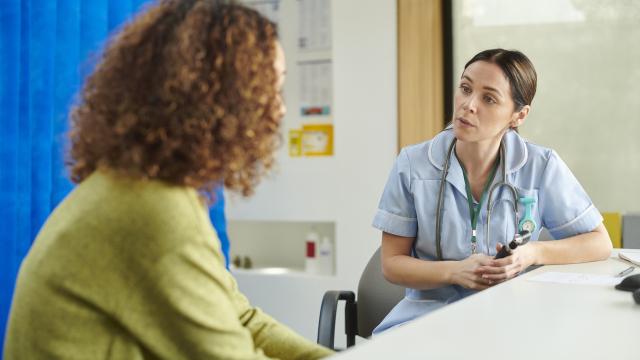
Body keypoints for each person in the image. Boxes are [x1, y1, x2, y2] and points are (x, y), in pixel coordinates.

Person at [3, 1, 333, 359]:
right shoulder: (152, 212)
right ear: (222, 95)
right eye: (270, 85)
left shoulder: (143, 189)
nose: (280, 107)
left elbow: (241, 316)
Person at [372, 49, 612, 334]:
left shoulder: (540, 166)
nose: (468, 105)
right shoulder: (413, 164)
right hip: (424, 320)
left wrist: (531, 253)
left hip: (509, 320)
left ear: (518, 115)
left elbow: (599, 242)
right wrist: (454, 271)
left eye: (488, 98)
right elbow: (392, 264)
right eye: (465, 88)